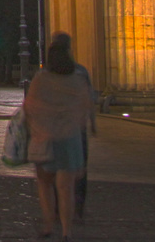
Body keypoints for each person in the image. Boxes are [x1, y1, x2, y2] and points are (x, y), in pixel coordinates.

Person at [23, 36, 95, 241]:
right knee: (66, 189)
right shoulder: (77, 79)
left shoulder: (41, 79)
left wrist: (36, 128)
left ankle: (48, 224)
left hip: (45, 138)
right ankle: (66, 231)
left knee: (45, 185)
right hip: (70, 139)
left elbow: (29, 107)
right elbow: (85, 106)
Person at [46, 31, 98, 223]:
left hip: (53, 129)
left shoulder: (45, 74)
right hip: (77, 129)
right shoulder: (81, 72)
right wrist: (92, 122)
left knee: (55, 169)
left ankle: (58, 209)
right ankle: (77, 207)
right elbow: (88, 99)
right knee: (78, 169)